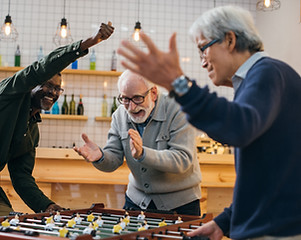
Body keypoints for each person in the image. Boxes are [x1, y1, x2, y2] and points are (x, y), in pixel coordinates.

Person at [117, 5, 301, 240]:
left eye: (203, 49)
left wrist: (178, 83)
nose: (203, 62)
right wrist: (225, 222)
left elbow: (238, 128)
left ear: (230, 40)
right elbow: (267, 176)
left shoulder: (266, 73)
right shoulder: (261, 78)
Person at [0, 22, 114, 216]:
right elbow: (40, 68)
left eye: (57, 89)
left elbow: (21, 176)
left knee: (9, 220)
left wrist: (47, 206)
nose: (53, 93)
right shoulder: (10, 92)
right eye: (48, 86)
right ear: (32, 84)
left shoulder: (31, 129)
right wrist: (88, 43)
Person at [74, 69, 202, 216]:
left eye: (137, 98)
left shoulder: (180, 110)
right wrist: (100, 157)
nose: (131, 107)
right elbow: (114, 158)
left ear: (153, 93)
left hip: (180, 204)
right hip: (136, 201)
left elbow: (182, 159)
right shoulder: (120, 115)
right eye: (125, 99)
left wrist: (143, 154)